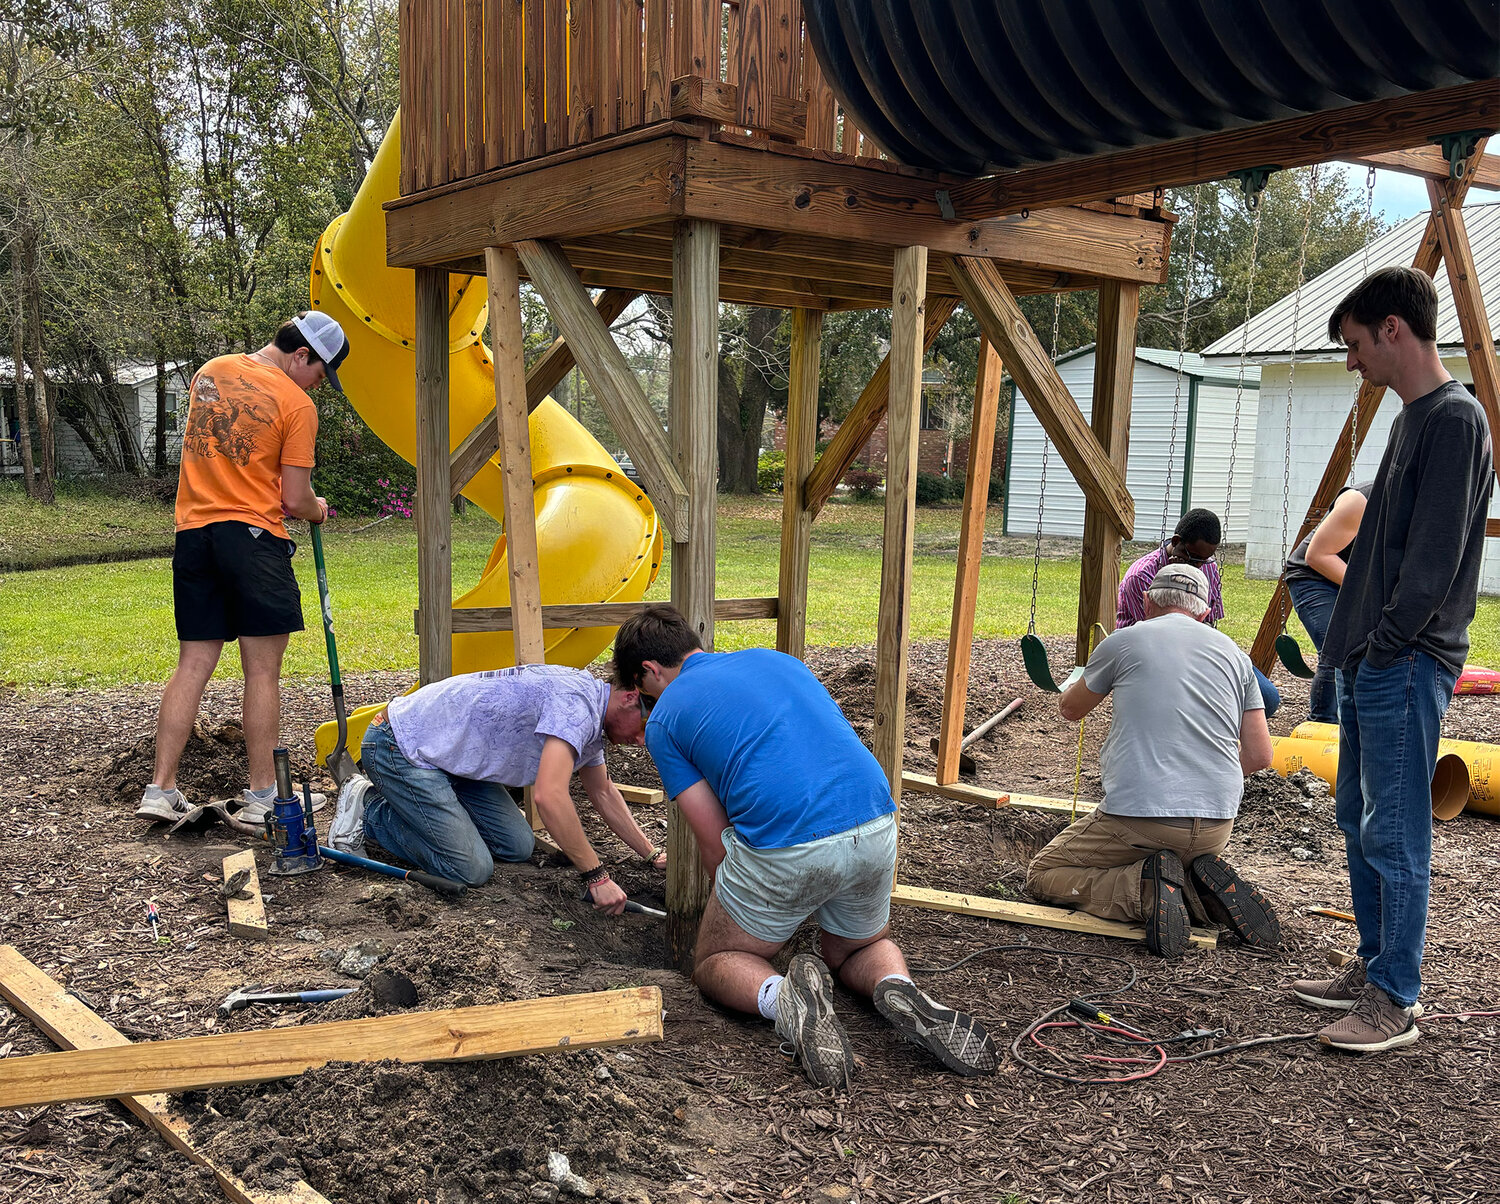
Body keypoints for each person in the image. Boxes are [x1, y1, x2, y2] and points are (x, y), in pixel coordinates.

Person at [612, 605, 996, 1089]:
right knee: (860, 946)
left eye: (642, 690)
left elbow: (714, 840)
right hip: (875, 820)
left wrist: (735, 913)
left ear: (648, 670)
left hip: (788, 845)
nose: (647, 701)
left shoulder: (665, 718)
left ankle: (785, 999)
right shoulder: (780, 660)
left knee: (714, 962)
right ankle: (900, 988)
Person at [1291, 266, 1494, 1054]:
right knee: (1357, 818)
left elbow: (1434, 563)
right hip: (1374, 658)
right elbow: (1376, 549)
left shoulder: (1454, 420)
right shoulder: (1414, 416)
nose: (1351, 362)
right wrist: (1345, 651)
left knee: (1397, 831)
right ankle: (1374, 964)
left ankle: (1394, 1001)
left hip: (1408, 661)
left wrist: (1382, 647)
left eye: (1352, 344)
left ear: (1392, 330)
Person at [137, 312, 350, 827]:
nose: (318, 386)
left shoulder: (210, 371)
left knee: (192, 665)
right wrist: (318, 509)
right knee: (262, 669)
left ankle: (160, 789)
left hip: (194, 536)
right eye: (321, 374)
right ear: (302, 356)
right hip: (254, 541)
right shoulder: (296, 404)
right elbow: (294, 499)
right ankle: (261, 794)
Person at [1028, 563, 1280, 959]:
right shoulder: (1235, 655)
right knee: (1171, 857)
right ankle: (1198, 895)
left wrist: (1088, 676)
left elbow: (1071, 709)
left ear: (1146, 601)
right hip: (1216, 824)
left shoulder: (1125, 640)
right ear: (1204, 613)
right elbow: (1261, 755)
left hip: (1140, 818)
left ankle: (1144, 893)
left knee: (1044, 873)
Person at [331, 665, 667, 903]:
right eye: (643, 727)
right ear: (629, 697)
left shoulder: (592, 716)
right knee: (469, 868)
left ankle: (432, 813)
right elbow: (549, 797)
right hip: (399, 744)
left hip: (450, 758)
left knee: (518, 845)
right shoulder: (576, 708)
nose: (640, 741)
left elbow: (603, 791)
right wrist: (597, 877)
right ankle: (368, 810)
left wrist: (651, 853)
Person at [1117, 508, 1282, 717]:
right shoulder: (1142, 576)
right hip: (1151, 651)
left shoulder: (1208, 567)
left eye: (1203, 560)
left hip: (1198, 645)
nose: (1196, 566)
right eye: (1192, 557)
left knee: (1267, 697)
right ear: (1176, 542)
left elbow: (1210, 621)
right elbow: (1152, 636)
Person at [1283, 484, 1372, 723]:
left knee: (1364, 649)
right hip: (1312, 576)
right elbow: (1316, 557)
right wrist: (1371, 591)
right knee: (1337, 645)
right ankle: (1322, 722)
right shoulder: (1360, 501)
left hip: (1353, 578)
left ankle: (1354, 720)